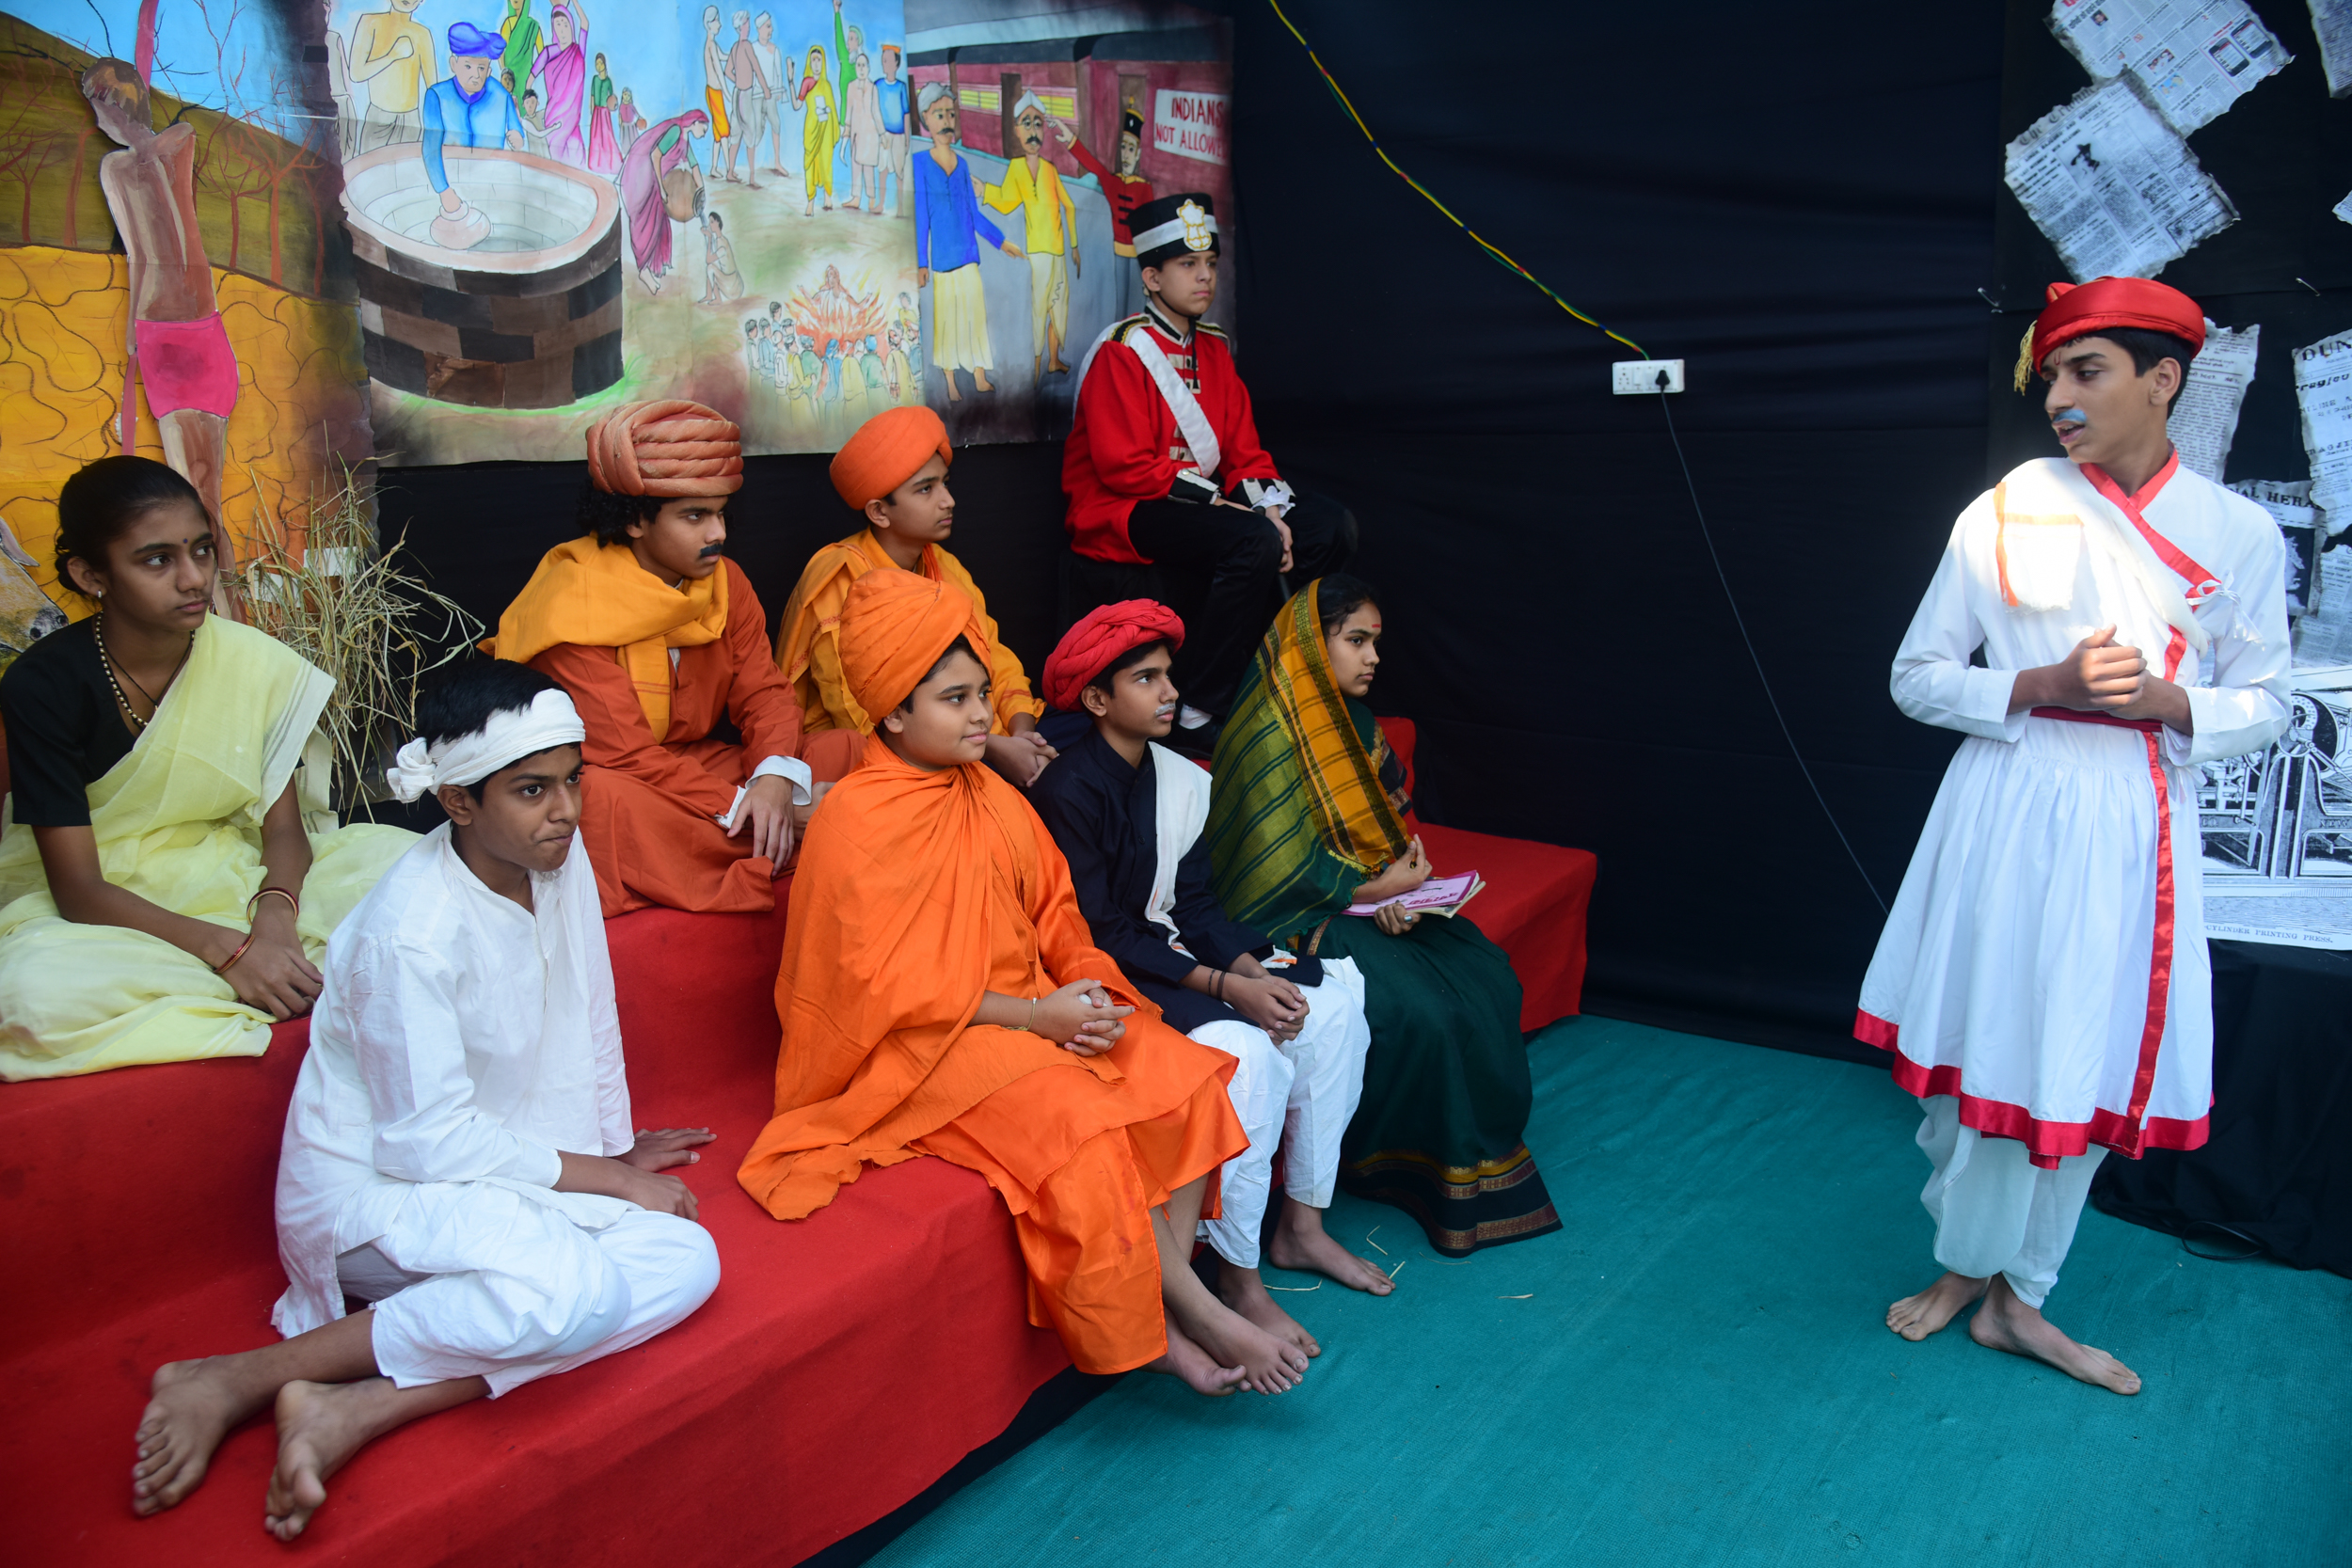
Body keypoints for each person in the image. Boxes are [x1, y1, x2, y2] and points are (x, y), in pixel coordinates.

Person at [126, 659, 721, 1539]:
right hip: (378, 1193)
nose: (564, 809)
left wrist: (610, 1149)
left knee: (687, 1259)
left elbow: (585, 1014)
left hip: (488, 1168)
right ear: (457, 802)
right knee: (571, 1287)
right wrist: (606, 1178)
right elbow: (426, 1145)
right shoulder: (411, 933)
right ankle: (238, 1375)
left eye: (572, 780)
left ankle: (361, 1405)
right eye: (532, 789)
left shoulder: (553, 858)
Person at [1858, 277, 2290, 1395]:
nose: (2057, 395)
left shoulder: (2237, 533)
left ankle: (2022, 1297)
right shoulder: (2005, 508)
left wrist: (2169, 701)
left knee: (2077, 1053)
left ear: (2163, 380)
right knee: (1979, 1047)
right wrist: (2040, 683)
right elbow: (1915, 676)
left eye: (2084, 370)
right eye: (2049, 373)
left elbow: (2269, 701)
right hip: (2002, 804)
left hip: (2132, 822)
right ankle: (1964, 1260)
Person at [738, 569, 1308, 1396]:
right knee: (1081, 1121)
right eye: (955, 700)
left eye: (981, 694)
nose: (983, 716)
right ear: (893, 713)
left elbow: (1059, 917)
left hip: (1033, 1008)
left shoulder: (992, 795)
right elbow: (880, 993)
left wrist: (1093, 996)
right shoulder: (853, 821)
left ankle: (1162, 1303)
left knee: (1182, 1080)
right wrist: (1038, 1016)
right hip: (929, 1044)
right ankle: (1190, 1316)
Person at [1031, 601, 1391, 1358]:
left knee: (1328, 1011)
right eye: (1145, 679)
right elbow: (1101, 931)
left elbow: (1193, 905)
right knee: (1247, 1056)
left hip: (1175, 953)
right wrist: (1231, 990)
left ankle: (1302, 1226)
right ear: (1096, 699)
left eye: (1168, 675)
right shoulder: (1068, 791)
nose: (1169, 691)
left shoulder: (1179, 776)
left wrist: (1253, 969)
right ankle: (1237, 1276)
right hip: (1111, 974)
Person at [0, 457, 413, 1081]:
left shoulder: (249, 661)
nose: (194, 578)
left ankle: (252, 978)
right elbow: (79, 889)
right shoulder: (41, 685)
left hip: (236, 872)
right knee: (32, 993)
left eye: (201, 549)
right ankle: (279, 979)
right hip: (110, 907)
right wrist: (231, 951)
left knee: (411, 870)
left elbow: (283, 830)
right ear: (91, 574)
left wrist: (274, 922)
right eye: (157, 560)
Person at [1207, 575, 1562, 1258]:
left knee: (1488, 974)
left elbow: (1388, 834)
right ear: (1313, 645)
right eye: (1356, 640)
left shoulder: (1359, 724)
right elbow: (1266, 871)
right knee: (1424, 1010)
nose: (1373, 657)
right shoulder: (1265, 734)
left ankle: (1477, 1152)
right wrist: (1369, 892)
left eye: (1375, 641)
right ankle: (1396, 1163)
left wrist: (1400, 894)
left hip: (1370, 903)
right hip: (1291, 918)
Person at [485, 400, 843, 918]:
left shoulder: (727, 582)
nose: (718, 534)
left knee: (841, 751)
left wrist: (772, 780)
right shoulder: (572, 604)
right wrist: (749, 804)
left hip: (691, 764)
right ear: (634, 520)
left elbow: (765, 693)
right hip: (622, 777)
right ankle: (789, 834)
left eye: (721, 513)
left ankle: (770, 832)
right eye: (695, 516)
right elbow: (627, 757)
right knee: (600, 802)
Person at [1065, 192, 1356, 731]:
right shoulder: (1123, 351)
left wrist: (1270, 509)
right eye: (1188, 264)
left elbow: (1245, 452)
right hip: (1126, 510)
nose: (1205, 277)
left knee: (1328, 526)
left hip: (1191, 507)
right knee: (1252, 539)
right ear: (1152, 277)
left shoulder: (1215, 350)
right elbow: (1122, 466)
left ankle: (1273, 673)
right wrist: (1226, 506)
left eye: (1211, 264)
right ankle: (1200, 703)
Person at [777, 404, 1054, 786]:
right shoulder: (841, 578)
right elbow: (863, 714)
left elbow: (994, 659)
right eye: (926, 489)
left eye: (945, 483)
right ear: (879, 512)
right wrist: (993, 748)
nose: (948, 500)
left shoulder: (944, 566)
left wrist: (1022, 734)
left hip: (970, 732)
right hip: (869, 753)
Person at [83, 58, 240, 612]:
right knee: (193, 495)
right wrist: (134, 337)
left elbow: (170, 212)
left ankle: (231, 618)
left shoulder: (176, 142)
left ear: (122, 103)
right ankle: (220, 615)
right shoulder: (117, 168)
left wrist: (141, 144)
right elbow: (138, 254)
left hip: (199, 331)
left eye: (104, 107)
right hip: (159, 336)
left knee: (205, 496)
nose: (101, 120)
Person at [912, 83, 1018, 402]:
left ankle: (980, 376)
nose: (947, 121)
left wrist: (1001, 242)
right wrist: (921, 262)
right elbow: (921, 218)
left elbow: (974, 215)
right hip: (943, 260)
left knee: (975, 316)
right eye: (939, 115)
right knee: (947, 320)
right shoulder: (919, 163)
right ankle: (950, 381)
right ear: (926, 119)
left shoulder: (963, 165)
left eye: (951, 114)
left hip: (968, 255)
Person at [982, 91, 1078, 379]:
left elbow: (1070, 206)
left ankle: (1053, 360)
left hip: (1058, 251)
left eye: (1038, 124)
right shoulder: (1016, 168)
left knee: (1058, 310)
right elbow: (1007, 201)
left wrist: (1074, 245)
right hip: (1038, 253)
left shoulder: (1050, 169)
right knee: (1039, 310)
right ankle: (1036, 369)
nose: (1033, 131)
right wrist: (984, 191)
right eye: (1027, 123)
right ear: (1016, 130)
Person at [420, 22, 527, 249]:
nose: (475, 75)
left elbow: (517, 131)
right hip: (450, 186)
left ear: (489, 70)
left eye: (482, 68)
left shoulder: (500, 95)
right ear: (454, 64)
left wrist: (517, 137)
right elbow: (430, 148)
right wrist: (443, 190)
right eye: (468, 66)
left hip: (491, 184)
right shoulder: (436, 96)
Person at [1053, 108, 1152, 317]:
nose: (1126, 154)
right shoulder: (1112, 182)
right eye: (1123, 148)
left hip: (1139, 258)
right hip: (1119, 254)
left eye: (1131, 149)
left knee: (1137, 309)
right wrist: (1070, 138)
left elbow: (1151, 229)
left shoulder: (1144, 189)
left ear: (1138, 154)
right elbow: (1094, 166)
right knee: (1120, 310)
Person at [620, 108, 708, 293]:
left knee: (659, 225)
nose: (704, 133)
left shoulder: (685, 141)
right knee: (645, 224)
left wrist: (701, 191)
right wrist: (660, 186)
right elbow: (655, 155)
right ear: (695, 122)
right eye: (704, 128)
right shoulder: (675, 131)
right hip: (648, 178)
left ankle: (650, 268)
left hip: (658, 183)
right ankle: (643, 270)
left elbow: (694, 166)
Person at [349, 0, 437, 152]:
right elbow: (356, 74)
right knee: (371, 163)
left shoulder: (422, 34)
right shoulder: (370, 22)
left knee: (407, 165)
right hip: (378, 116)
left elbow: (433, 87)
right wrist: (392, 56)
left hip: (411, 119)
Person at [528, 0, 589, 166]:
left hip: (573, 120)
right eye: (558, 25)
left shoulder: (578, 51)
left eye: (565, 24)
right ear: (553, 28)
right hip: (554, 118)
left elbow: (585, 23)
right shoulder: (548, 53)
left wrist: (574, 2)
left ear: (571, 26)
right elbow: (532, 76)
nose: (562, 30)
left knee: (578, 158)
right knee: (556, 160)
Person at [722, 9, 768, 187]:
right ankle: (752, 177)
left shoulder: (734, 47)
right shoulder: (746, 46)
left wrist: (737, 80)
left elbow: (727, 71)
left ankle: (730, 171)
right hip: (745, 95)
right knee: (750, 134)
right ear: (741, 26)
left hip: (736, 94)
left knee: (736, 133)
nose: (749, 27)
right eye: (747, 23)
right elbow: (756, 68)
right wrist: (765, 88)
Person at [793, 42, 837, 214]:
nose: (816, 64)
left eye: (819, 60)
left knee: (826, 162)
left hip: (825, 130)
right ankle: (810, 201)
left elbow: (832, 109)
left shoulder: (826, 85)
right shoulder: (807, 82)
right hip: (811, 128)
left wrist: (828, 113)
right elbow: (797, 105)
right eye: (814, 60)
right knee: (810, 164)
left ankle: (827, 196)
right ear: (809, 62)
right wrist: (790, 81)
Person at [873, 42, 909, 215]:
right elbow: (875, 110)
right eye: (883, 60)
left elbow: (906, 113)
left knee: (899, 173)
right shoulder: (878, 85)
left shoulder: (901, 87)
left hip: (899, 136)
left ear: (896, 63)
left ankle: (900, 207)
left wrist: (907, 139)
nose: (884, 64)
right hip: (884, 135)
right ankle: (881, 204)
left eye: (887, 60)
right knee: (883, 170)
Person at [845, 52, 881, 214]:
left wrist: (882, 133)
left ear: (868, 68)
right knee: (856, 165)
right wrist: (847, 129)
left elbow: (876, 112)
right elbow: (849, 110)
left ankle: (871, 198)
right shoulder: (851, 87)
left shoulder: (873, 88)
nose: (861, 69)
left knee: (868, 167)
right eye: (858, 65)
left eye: (863, 65)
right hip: (856, 133)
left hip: (871, 133)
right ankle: (856, 198)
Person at [698, 210, 744, 305]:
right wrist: (710, 237)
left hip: (733, 286)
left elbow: (708, 260)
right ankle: (709, 295)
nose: (710, 225)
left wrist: (709, 237)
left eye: (712, 222)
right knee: (712, 267)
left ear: (718, 222)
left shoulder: (722, 243)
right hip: (730, 282)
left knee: (710, 267)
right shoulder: (720, 240)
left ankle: (716, 298)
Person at [585, 53, 619, 175]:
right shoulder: (595, 79)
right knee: (596, 137)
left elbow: (612, 98)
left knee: (606, 135)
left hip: (605, 112)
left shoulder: (608, 81)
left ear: (605, 64)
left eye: (600, 63)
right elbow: (592, 95)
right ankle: (596, 163)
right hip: (596, 111)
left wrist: (613, 106)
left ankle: (609, 162)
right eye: (597, 64)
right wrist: (591, 108)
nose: (598, 66)